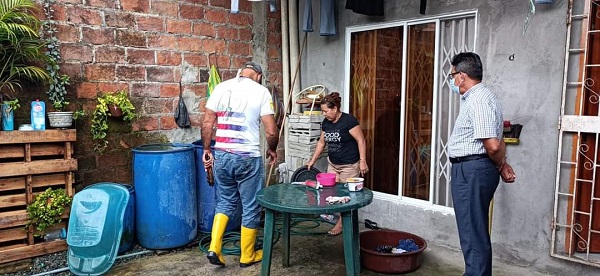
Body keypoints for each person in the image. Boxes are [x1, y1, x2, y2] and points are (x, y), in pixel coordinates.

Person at [201, 61, 279, 268]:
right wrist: (272, 149)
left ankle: (214, 248)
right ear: (258, 75)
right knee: (250, 205)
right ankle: (247, 255)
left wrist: (207, 150)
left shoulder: (221, 87)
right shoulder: (261, 91)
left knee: (225, 202)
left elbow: (207, 122)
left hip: (222, 155)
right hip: (247, 157)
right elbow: (271, 131)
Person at [447, 52, 516, 276]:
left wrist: (499, 163)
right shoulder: (481, 98)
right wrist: (501, 165)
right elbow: (498, 140)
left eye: (452, 75)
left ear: (462, 76)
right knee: (474, 230)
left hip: (472, 170)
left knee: (472, 233)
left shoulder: (478, 99)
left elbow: (493, 146)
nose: (451, 80)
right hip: (474, 169)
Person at [306, 92, 369, 236]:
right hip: (333, 164)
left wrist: (363, 161)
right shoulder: (326, 123)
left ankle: (341, 223)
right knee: (331, 192)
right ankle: (335, 216)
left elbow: (361, 140)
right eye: (323, 111)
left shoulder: (349, 121)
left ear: (335, 109)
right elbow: (322, 143)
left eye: (326, 111)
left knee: (346, 195)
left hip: (349, 165)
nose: (324, 114)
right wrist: (312, 160)